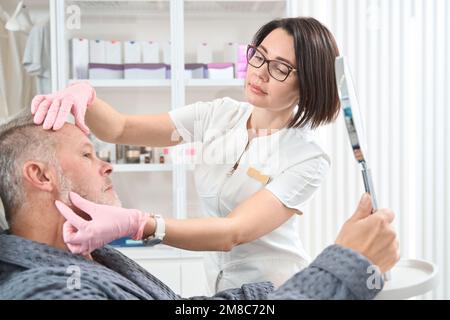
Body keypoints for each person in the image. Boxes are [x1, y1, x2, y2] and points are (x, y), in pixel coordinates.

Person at [32, 17, 347, 292]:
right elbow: (122, 129)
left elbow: (232, 232)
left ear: (308, 84)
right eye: (259, 56)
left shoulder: (307, 157)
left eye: (280, 68)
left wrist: (142, 224)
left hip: (275, 289)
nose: (260, 73)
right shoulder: (219, 115)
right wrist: (85, 95)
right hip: (218, 285)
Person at [0, 113, 399, 300]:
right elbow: (121, 125)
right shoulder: (48, 291)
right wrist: (344, 265)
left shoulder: (94, 260)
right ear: (41, 175)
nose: (107, 165)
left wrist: (258, 297)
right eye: (88, 154)